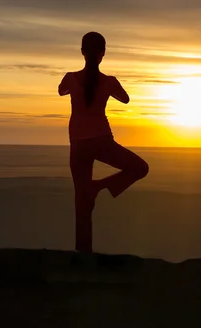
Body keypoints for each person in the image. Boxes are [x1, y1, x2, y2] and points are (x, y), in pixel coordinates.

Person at [58, 31, 149, 254]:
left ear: (82, 52)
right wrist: (108, 85)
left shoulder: (71, 78)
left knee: (82, 203)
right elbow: (125, 98)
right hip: (102, 141)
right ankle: (98, 186)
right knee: (139, 168)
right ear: (103, 54)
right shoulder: (109, 82)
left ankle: (83, 255)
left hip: (78, 145)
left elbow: (62, 91)